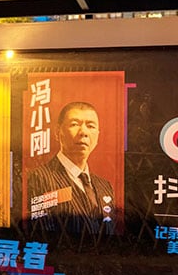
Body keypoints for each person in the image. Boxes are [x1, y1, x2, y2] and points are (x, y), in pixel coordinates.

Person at [26, 101, 116, 236]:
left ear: (98, 135)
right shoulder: (40, 177)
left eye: (90, 126)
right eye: (74, 124)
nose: (83, 132)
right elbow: (42, 231)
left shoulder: (105, 186)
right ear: (57, 132)